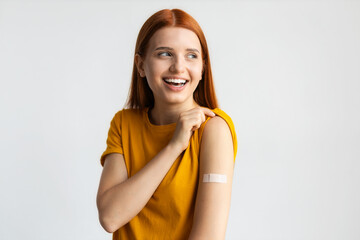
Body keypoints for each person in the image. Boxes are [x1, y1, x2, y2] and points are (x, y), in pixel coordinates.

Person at [96, 8, 237, 240]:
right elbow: (110, 216)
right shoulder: (123, 124)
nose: (178, 67)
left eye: (191, 55)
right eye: (165, 54)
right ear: (141, 65)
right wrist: (173, 147)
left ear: (202, 67)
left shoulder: (214, 130)